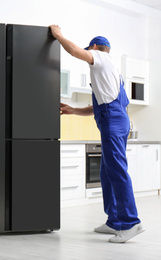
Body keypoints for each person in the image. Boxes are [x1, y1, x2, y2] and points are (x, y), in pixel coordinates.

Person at [50, 25, 145, 243]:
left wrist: (59, 36)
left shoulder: (100, 57)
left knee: (117, 171)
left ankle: (131, 222)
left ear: (94, 47)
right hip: (114, 119)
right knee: (107, 172)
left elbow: (74, 51)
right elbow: (99, 106)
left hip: (113, 121)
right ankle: (114, 221)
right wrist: (73, 110)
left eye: (89, 52)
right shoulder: (110, 72)